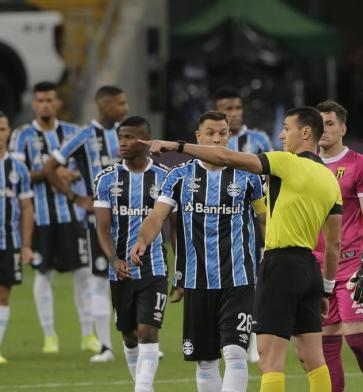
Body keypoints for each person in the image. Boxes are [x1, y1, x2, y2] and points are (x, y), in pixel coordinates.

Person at [138, 106, 343, 392]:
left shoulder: (285, 162)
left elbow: (226, 158)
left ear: (306, 132)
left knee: (270, 361)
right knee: (314, 359)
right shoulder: (331, 179)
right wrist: (326, 288)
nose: (282, 135)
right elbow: (333, 243)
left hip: (277, 266)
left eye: (287, 128)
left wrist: (177, 145)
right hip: (310, 268)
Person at [133, 111, 265, 392]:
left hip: (239, 279)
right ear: (198, 136)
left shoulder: (248, 176)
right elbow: (157, 217)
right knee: (205, 362)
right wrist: (142, 240)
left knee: (235, 354)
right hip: (196, 280)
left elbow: (265, 220)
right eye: (210, 133)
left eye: (222, 133)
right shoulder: (179, 176)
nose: (217, 139)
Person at [9, 81, 98, 354]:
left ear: (58, 103)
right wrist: (51, 173)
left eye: (50, 100)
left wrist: (71, 176)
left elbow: (88, 168)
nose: (45, 105)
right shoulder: (21, 136)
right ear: (34, 104)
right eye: (40, 101)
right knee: (42, 274)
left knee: (83, 273)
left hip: (72, 215)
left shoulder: (74, 133)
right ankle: (50, 336)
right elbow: (16, 174)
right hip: (40, 217)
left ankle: (88, 334)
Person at [42, 85, 129, 362]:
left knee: (136, 280)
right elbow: (49, 167)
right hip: (97, 221)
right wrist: (75, 198)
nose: (125, 108)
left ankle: (138, 342)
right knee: (99, 279)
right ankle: (105, 346)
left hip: (130, 217)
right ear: (104, 105)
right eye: (120, 103)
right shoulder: (83, 135)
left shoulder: (127, 134)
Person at [94, 116, 173, 391]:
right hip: (120, 270)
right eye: (121, 137)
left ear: (145, 140)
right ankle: (140, 384)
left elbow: (174, 227)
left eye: (130, 137)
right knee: (129, 336)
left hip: (155, 267)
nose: (123, 143)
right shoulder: (106, 178)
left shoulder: (165, 177)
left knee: (148, 331)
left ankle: (143, 389)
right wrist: (113, 260)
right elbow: (102, 228)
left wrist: (183, 265)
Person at [314, 100, 363, 392]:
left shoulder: (359, 164)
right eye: (320, 124)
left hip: (353, 264)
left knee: (356, 338)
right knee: (326, 344)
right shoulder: (307, 165)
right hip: (319, 266)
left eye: (330, 124)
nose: (325, 130)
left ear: (343, 128)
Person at [214, 86, 271, 363]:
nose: (234, 114)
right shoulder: (213, 144)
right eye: (228, 109)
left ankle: (253, 340)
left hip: (254, 221)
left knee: (256, 280)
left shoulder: (259, 139)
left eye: (237, 108)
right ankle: (226, 335)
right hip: (221, 227)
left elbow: (273, 175)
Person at [0, 112, 34, 363]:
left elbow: (26, 208)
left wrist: (25, 245)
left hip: (8, 242)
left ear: (9, 132)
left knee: (3, 294)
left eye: (2, 129)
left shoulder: (18, 168)